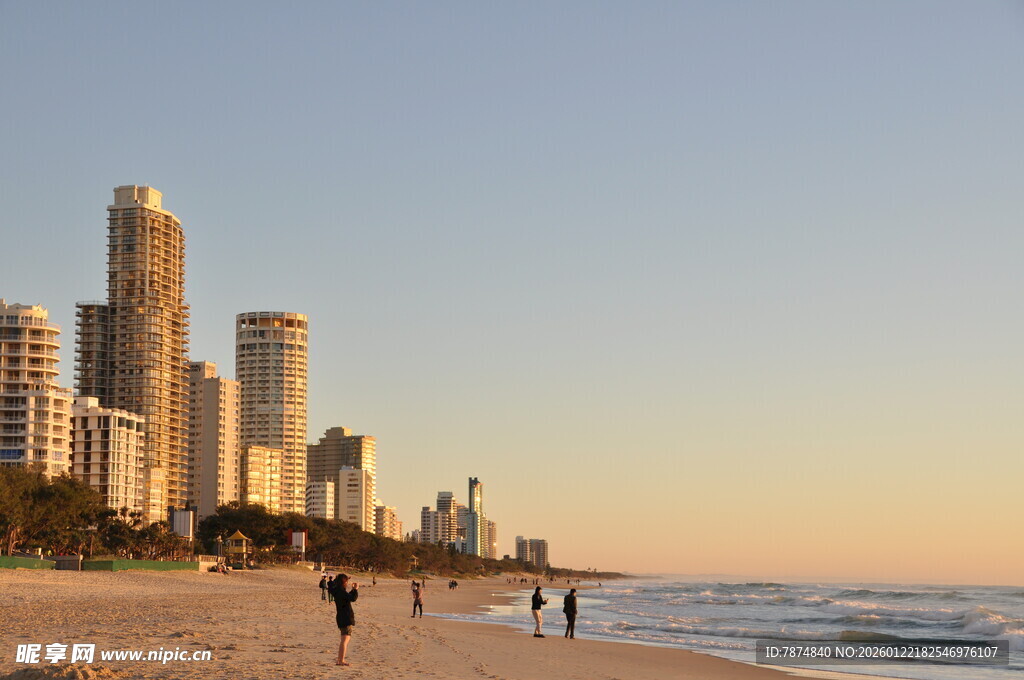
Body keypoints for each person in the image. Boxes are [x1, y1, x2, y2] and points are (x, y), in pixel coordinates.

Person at [328, 574, 359, 666]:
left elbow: (331, 585)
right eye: (346, 582)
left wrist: (342, 580)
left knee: (344, 639)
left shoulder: (336, 590)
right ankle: (341, 660)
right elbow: (352, 598)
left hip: (341, 617)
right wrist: (355, 589)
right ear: (343, 583)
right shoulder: (341, 591)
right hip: (345, 617)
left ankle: (340, 659)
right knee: (345, 640)